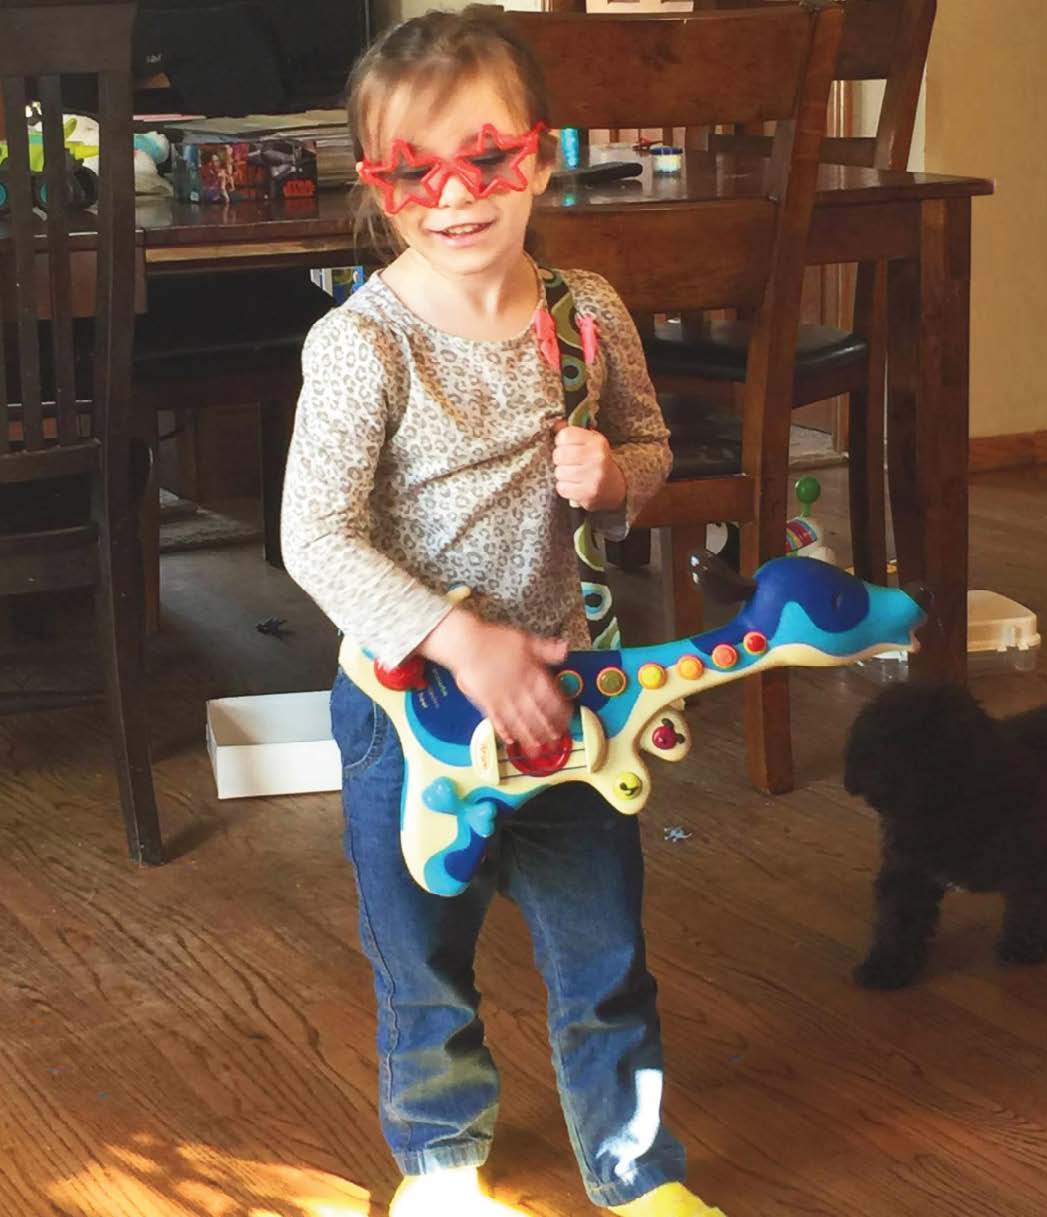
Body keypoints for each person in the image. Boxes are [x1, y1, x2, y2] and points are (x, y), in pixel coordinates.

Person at [281, 10, 726, 1217]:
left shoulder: (586, 314)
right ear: (377, 185)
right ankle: (439, 1164)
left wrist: (622, 475)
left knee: (606, 960)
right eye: (413, 171)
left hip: (570, 702)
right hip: (407, 712)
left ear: (536, 154)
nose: (455, 194)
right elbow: (314, 534)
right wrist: (457, 637)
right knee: (421, 963)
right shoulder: (361, 344)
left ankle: (633, 1169)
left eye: (486, 158)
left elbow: (649, 440)